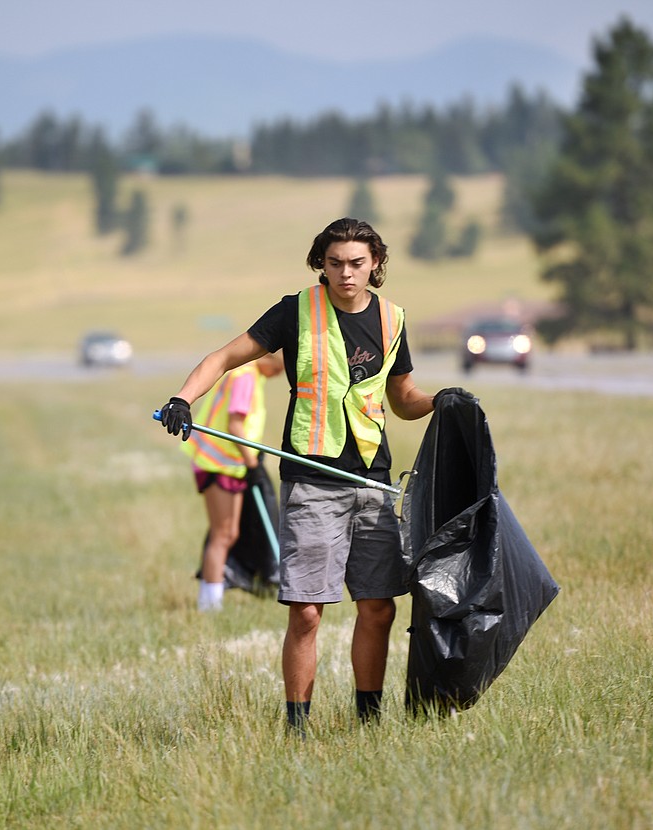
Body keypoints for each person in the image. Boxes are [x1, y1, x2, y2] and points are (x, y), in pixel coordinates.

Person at [159, 217, 471, 732]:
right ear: (320, 264)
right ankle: (297, 728)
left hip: (373, 484)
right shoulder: (296, 311)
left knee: (378, 611)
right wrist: (182, 398)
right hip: (312, 480)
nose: (346, 274)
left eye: (356, 264)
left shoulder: (393, 320)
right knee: (306, 612)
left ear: (375, 264)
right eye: (335, 264)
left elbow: (404, 399)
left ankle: (367, 723)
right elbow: (225, 357)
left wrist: (444, 401)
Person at [181, 353, 284, 612]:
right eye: (283, 367)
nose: (281, 375)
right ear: (274, 359)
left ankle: (212, 597)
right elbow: (235, 425)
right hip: (218, 464)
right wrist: (252, 463)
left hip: (229, 465)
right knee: (222, 534)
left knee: (230, 533)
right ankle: (209, 605)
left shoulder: (249, 374)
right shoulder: (245, 376)